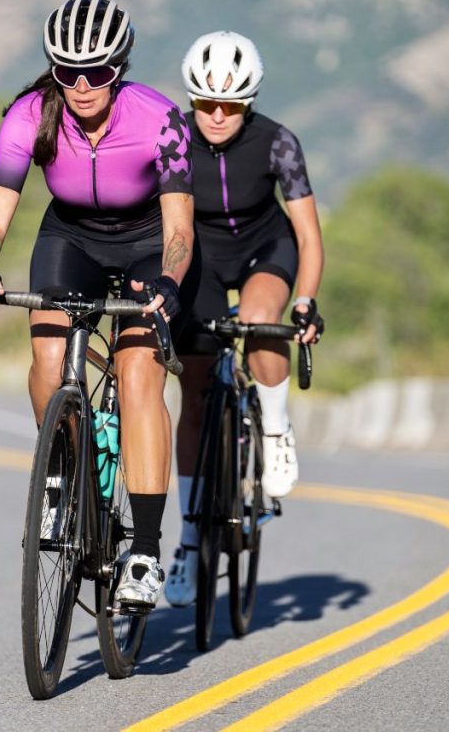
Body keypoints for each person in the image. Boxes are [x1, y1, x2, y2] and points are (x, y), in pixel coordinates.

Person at [0, 0, 196, 609]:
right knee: (47, 357)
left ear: (120, 67)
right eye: (68, 71)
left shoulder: (161, 119)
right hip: (70, 237)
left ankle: (144, 551)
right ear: (53, 69)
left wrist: (170, 281)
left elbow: (179, 229)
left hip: (147, 242)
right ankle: (64, 479)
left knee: (138, 374)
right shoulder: (28, 115)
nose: (83, 85)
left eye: (98, 71)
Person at [165, 31, 325, 607]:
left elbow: (308, 235)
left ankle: (276, 431)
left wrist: (305, 300)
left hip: (265, 248)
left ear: (248, 101)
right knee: (196, 391)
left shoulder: (279, 142)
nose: (216, 115)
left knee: (259, 320)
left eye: (230, 105)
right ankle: (188, 542)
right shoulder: (173, 136)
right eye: (205, 102)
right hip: (202, 256)